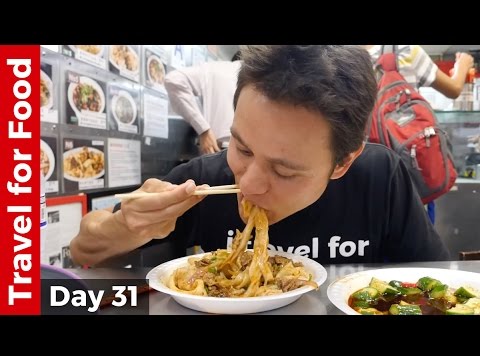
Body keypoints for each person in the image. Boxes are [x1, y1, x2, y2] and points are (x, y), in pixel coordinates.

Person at [70, 45, 450, 267]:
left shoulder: (380, 176)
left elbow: (436, 282)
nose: (247, 183)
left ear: (343, 162)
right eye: (243, 147)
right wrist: (127, 227)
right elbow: (83, 248)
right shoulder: (201, 182)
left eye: (284, 171)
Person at [366, 45, 475, 224]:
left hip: (368, 172)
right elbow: (453, 89)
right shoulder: (406, 51)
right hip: (410, 170)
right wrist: (464, 63)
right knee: (416, 239)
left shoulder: (341, 57)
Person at [165, 51, 242, 154]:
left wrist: (204, 129)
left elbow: (173, 80)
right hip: (248, 154)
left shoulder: (214, 69)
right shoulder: (260, 77)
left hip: (215, 151)